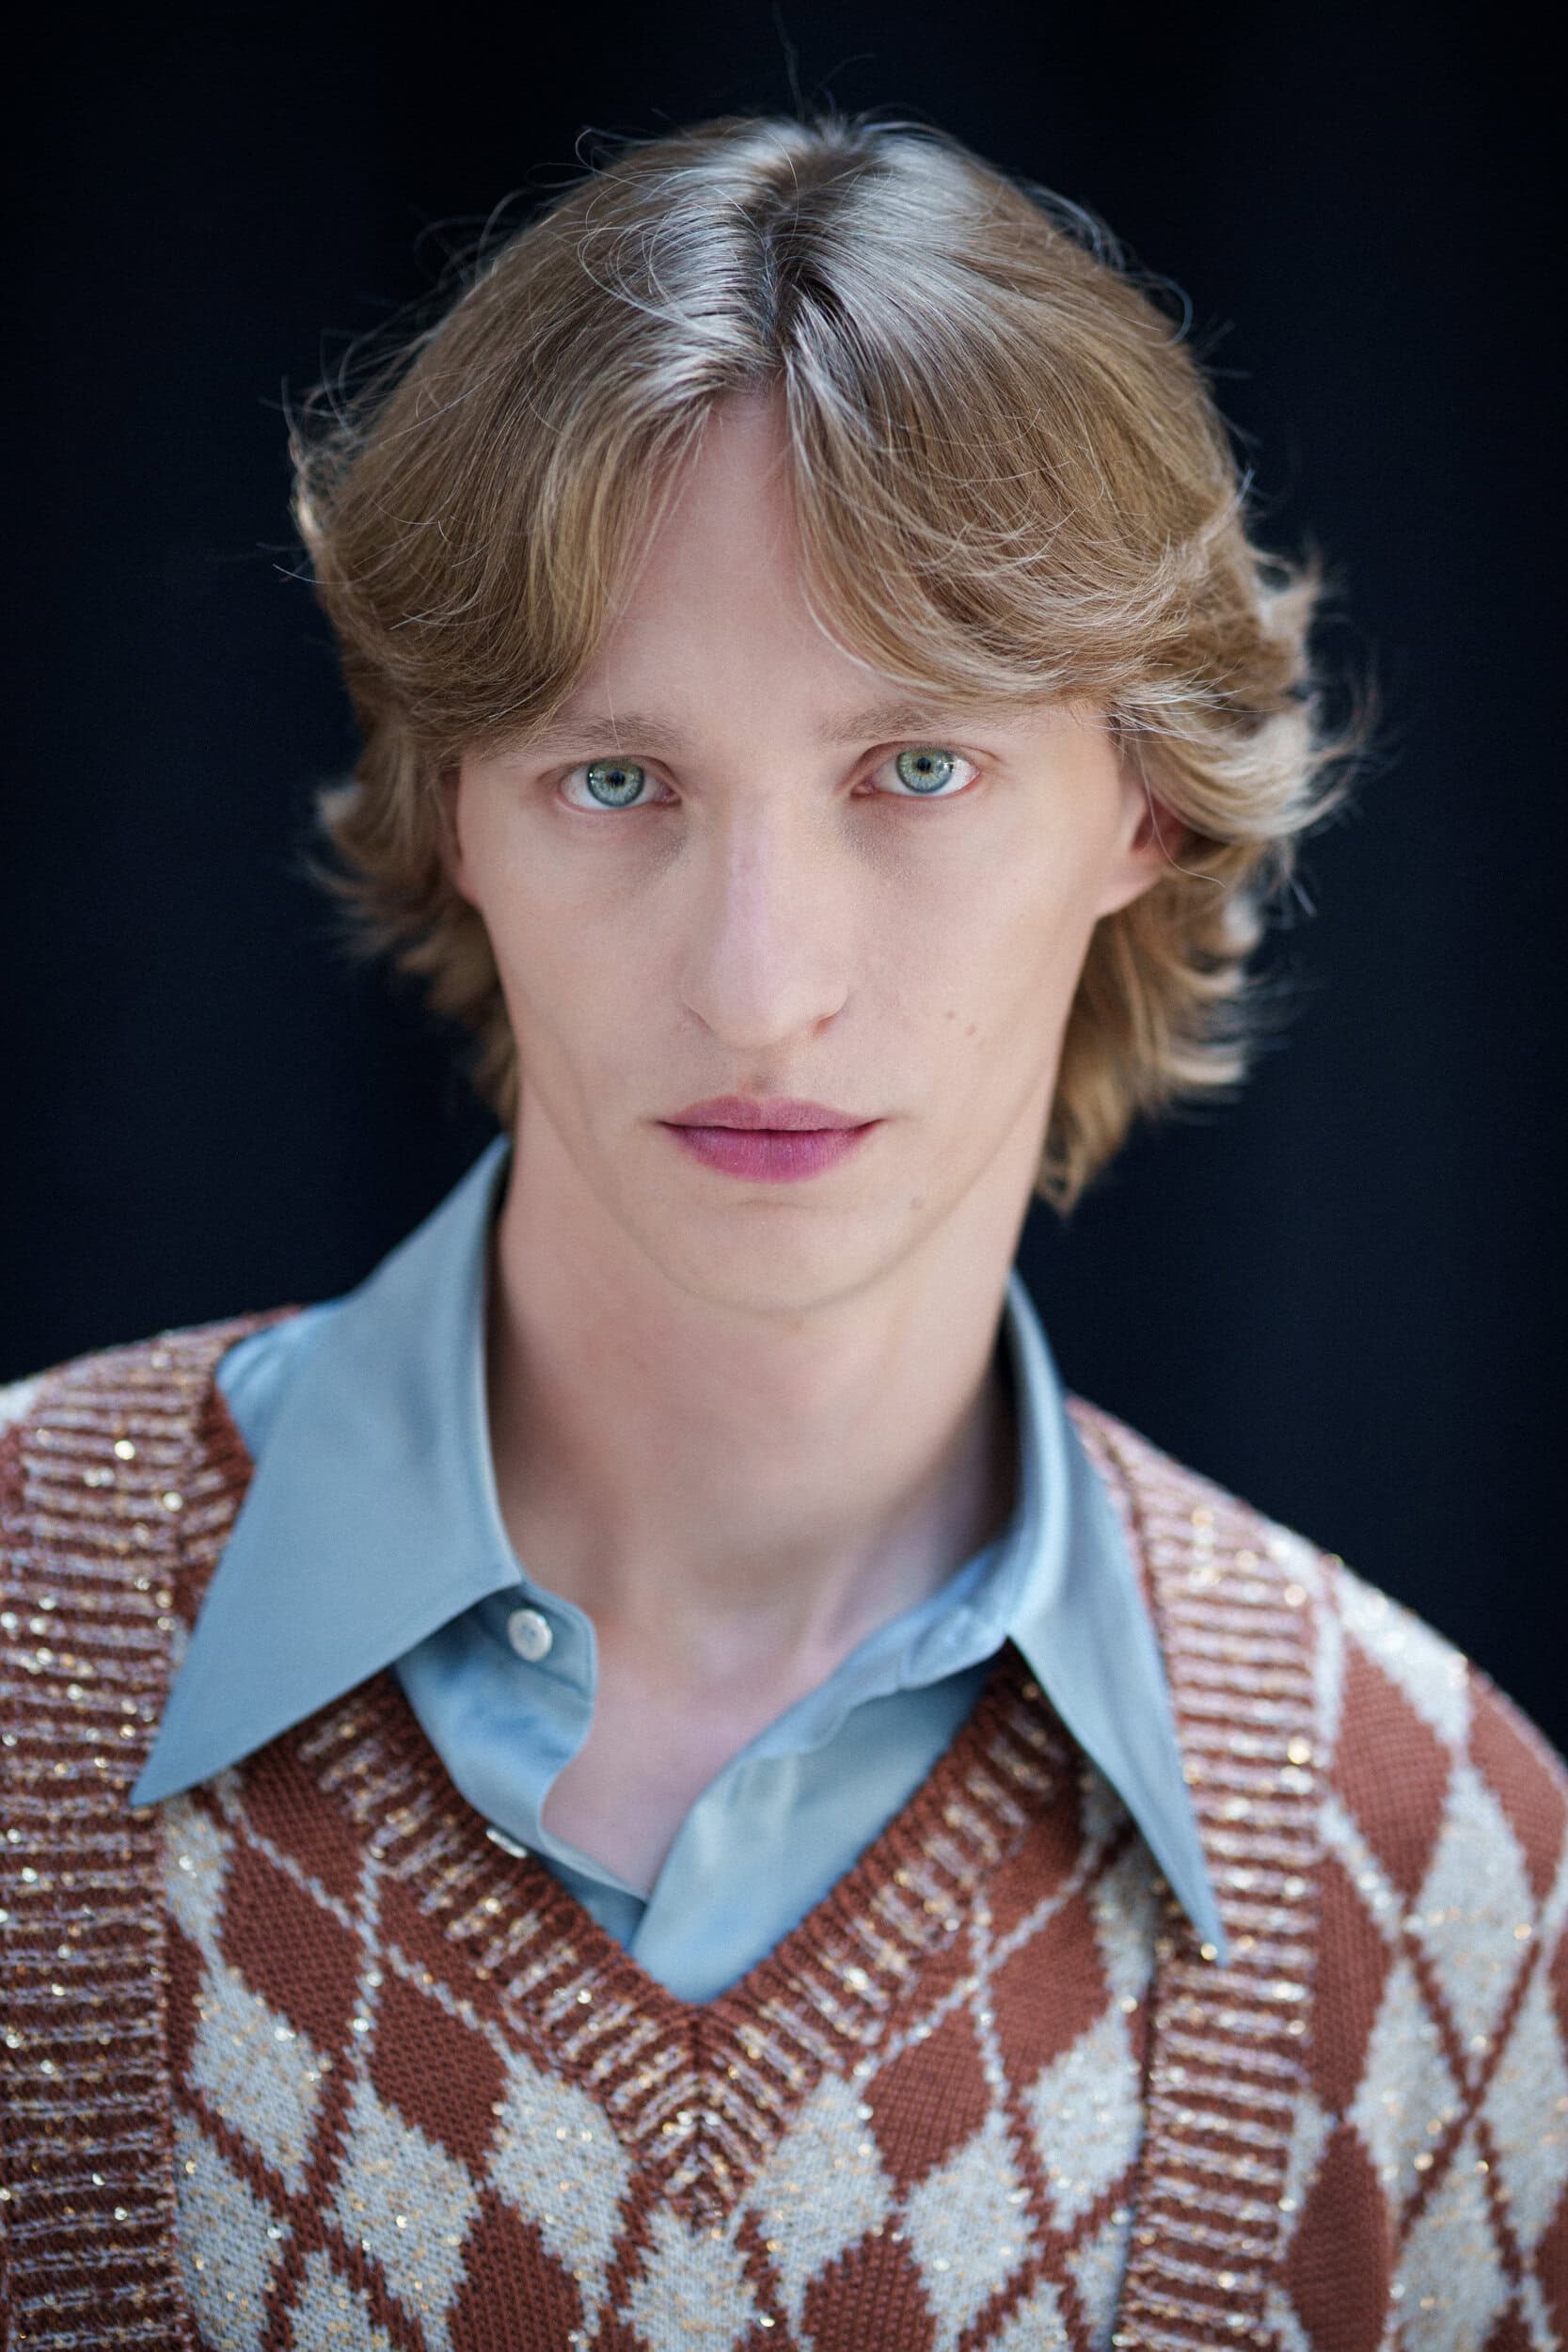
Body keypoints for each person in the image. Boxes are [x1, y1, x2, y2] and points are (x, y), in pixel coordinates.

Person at [1, 109, 1562, 2352]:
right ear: (459, 809)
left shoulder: (1440, 1865)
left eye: (915, 767)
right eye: (615, 778)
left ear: (1140, 800)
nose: (758, 985)